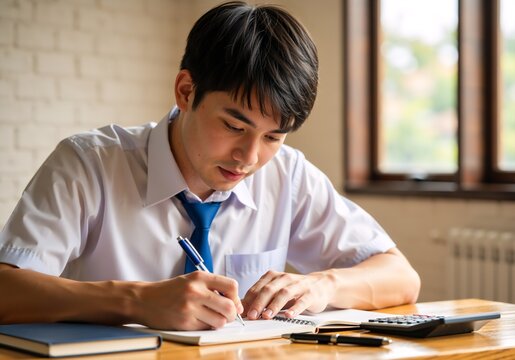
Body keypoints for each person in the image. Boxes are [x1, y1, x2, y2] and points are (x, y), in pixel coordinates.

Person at [0, 1, 420, 330]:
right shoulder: (88, 164)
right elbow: (7, 291)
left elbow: (401, 276)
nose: (250, 157)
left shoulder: (287, 175)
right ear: (186, 91)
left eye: (274, 137)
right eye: (234, 125)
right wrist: (136, 301)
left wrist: (320, 285)